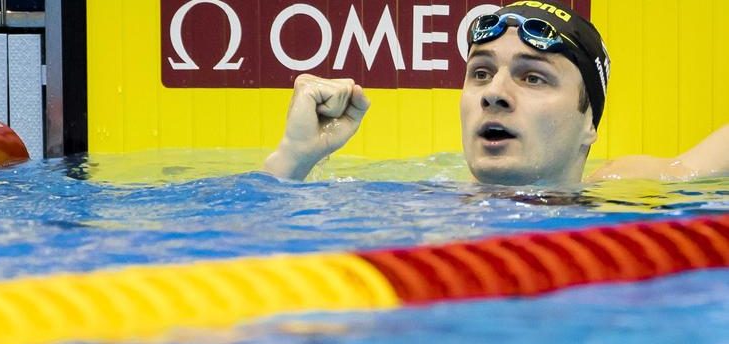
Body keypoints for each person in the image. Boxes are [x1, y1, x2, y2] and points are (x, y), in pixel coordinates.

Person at [263, 1, 728, 185]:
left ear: (590, 123)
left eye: (533, 77)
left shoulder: (625, 187)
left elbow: (694, 167)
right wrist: (295, 157)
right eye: (481, 73)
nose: (494, 94)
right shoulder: (417, 206)